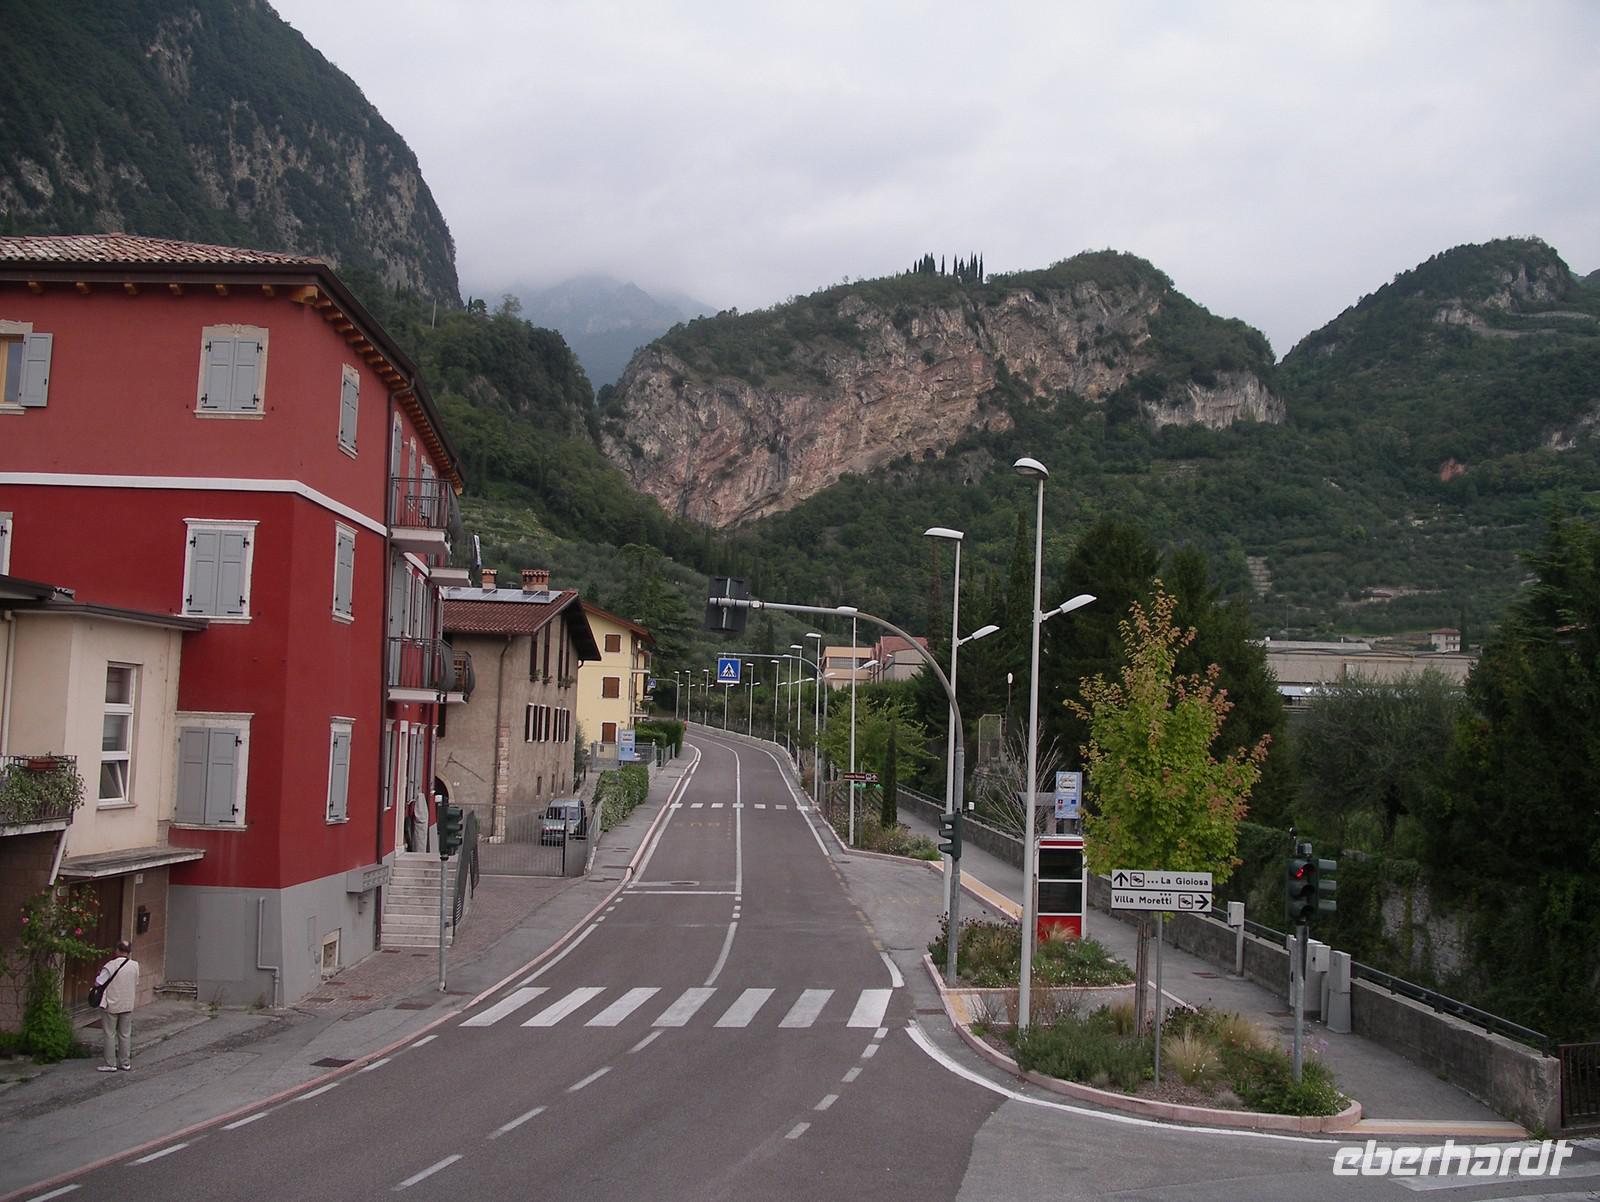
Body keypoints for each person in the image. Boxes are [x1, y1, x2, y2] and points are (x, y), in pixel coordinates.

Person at [95, 939, 140, 1072]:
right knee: (125, 1034)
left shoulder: (110, 965)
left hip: (112, 1004)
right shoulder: (135, 965)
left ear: (118, 950)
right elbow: (135, 982)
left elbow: (98, 983)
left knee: (110, 1034)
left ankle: (110, 1063)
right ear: (129, 952)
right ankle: (125, 1062)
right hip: (127, 1004)